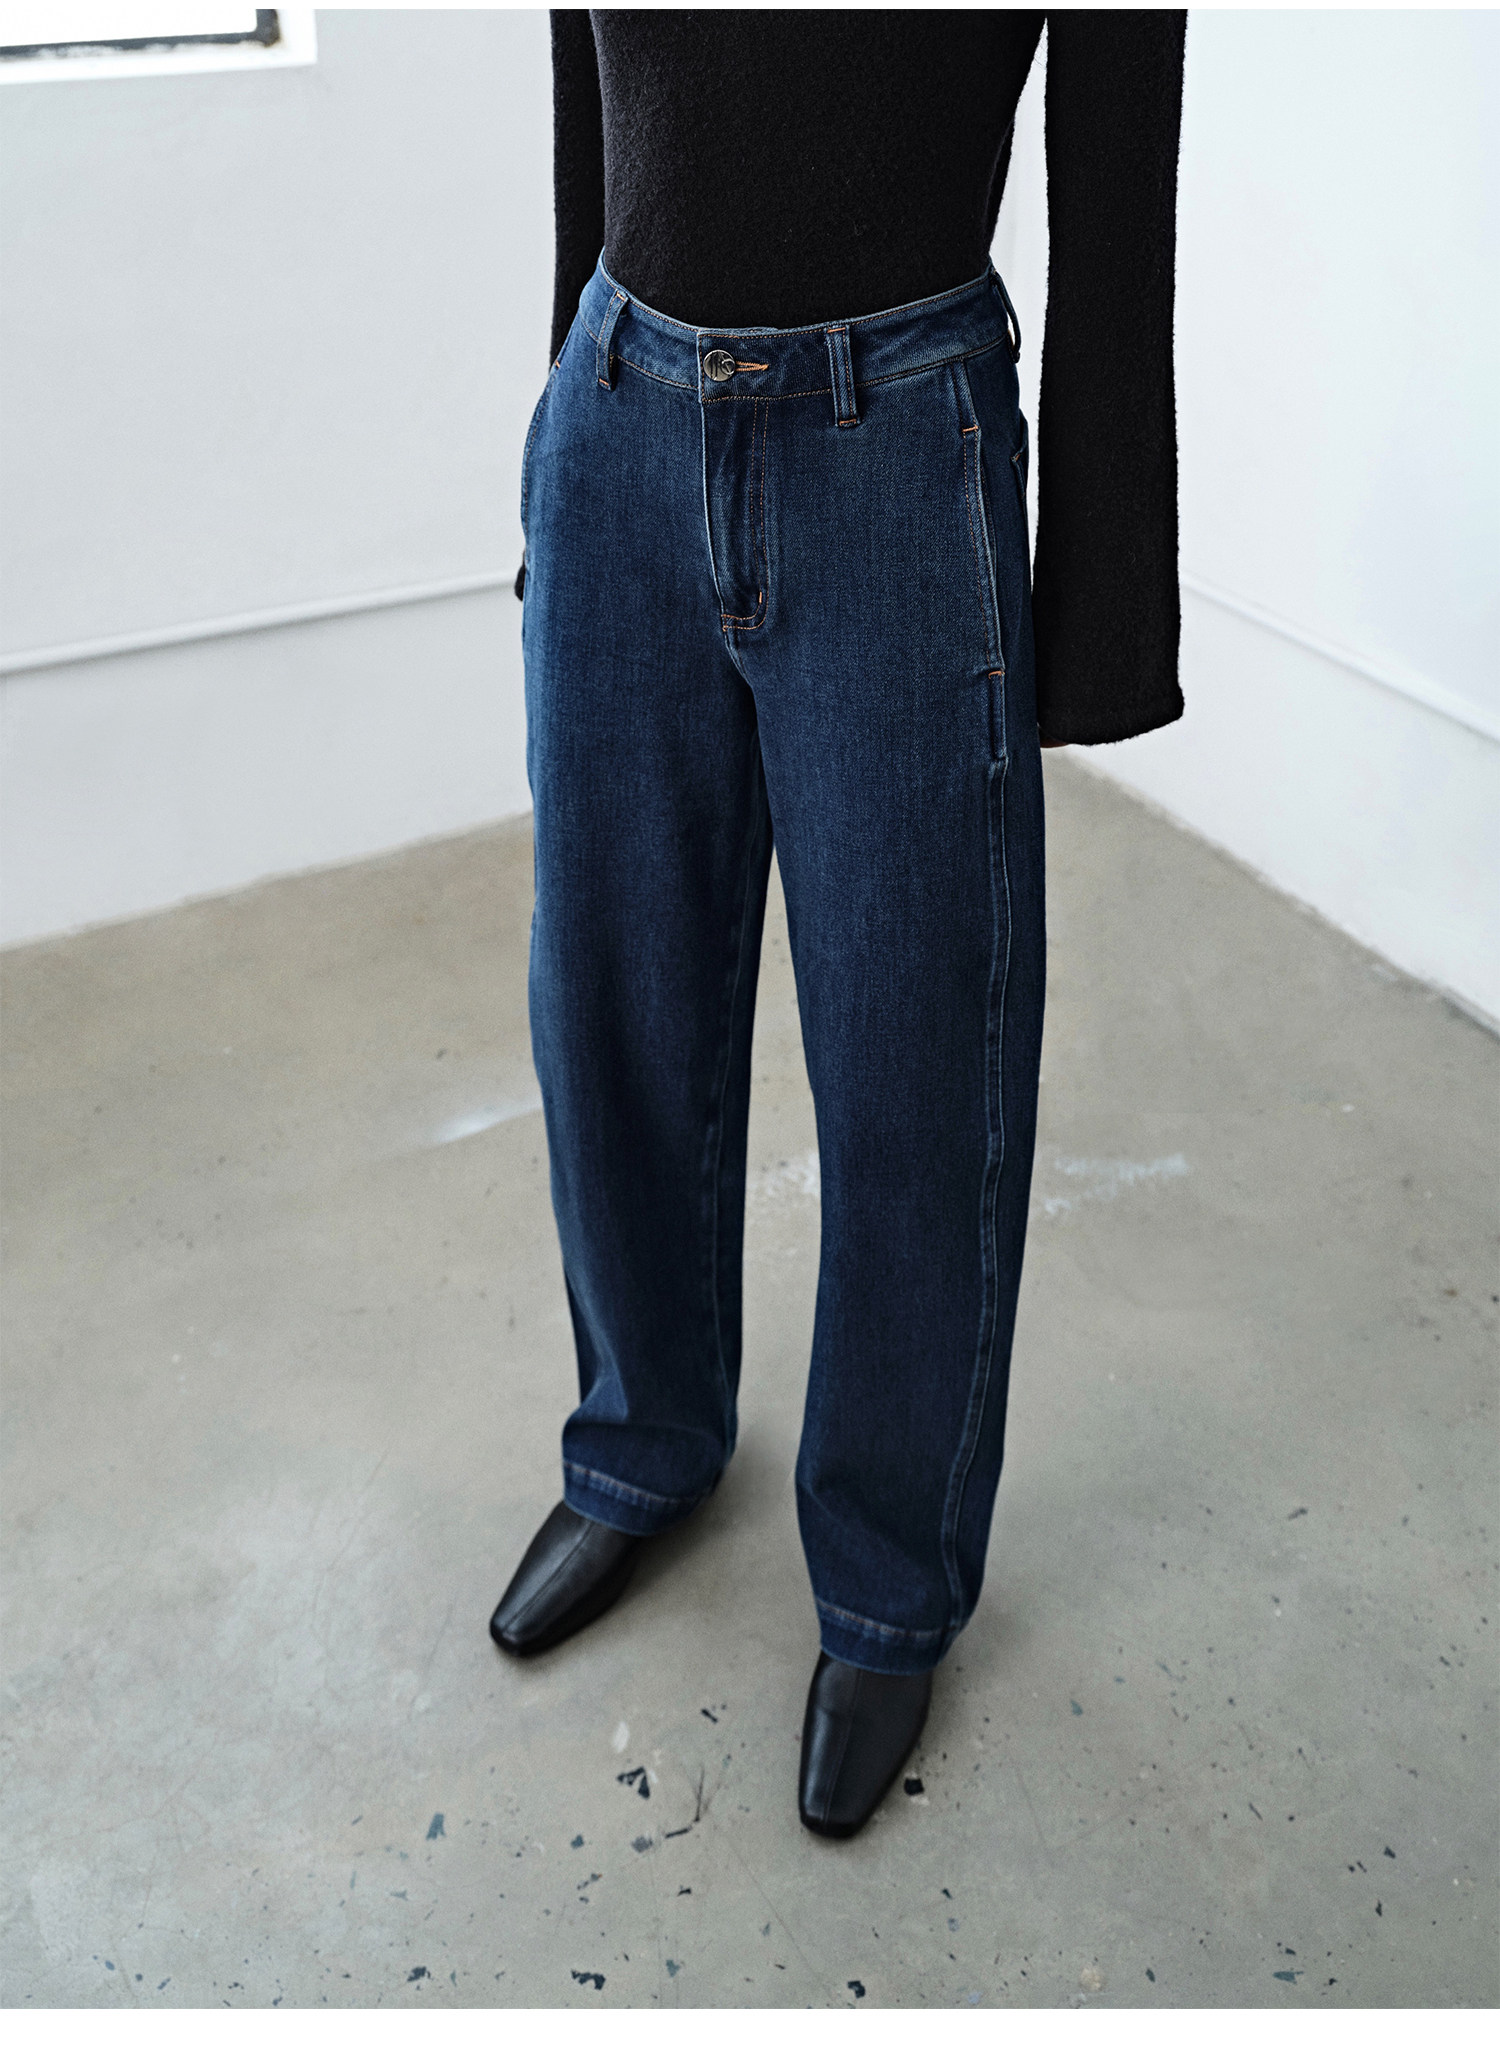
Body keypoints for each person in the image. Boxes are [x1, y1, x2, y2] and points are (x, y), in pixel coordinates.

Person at [490, 8, 1186, 1840]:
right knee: (610, 998)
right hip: (619, 412)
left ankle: (887, 1580)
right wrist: (558, 449)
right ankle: (643, 1443)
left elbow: (1119, 177)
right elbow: (587, 85)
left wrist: (1103, 615)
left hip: (895, 448)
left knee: (915, 1052)